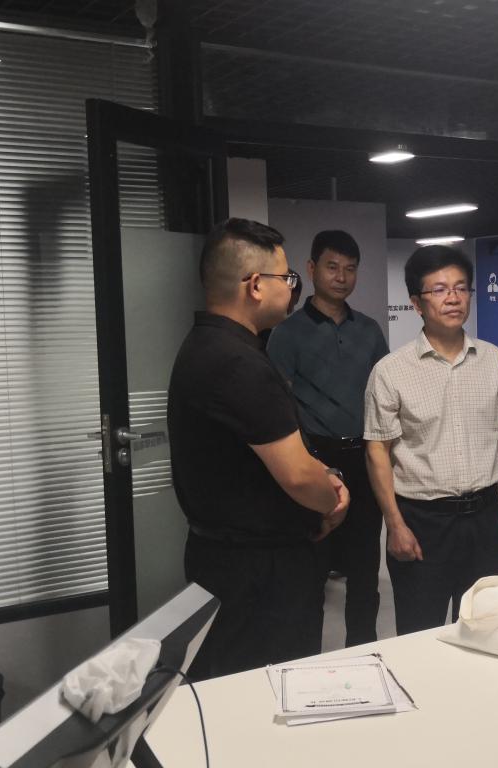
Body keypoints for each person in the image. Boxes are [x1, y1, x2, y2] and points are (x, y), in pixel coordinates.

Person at [168, 218, 349, 679]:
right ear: (254, 285)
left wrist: (324, 475)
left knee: (231, 675)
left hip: (227, 558)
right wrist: (332, 502)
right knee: (267, 686)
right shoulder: (236, 363)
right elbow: (298, 477)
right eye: (286, 278)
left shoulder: (207, 344)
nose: (291, 288)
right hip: (260, 572)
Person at [364, 245, 498, 635]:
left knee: (485, 630)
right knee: (420, 634)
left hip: (484, 516)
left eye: (461, 287)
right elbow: (378, 451)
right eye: (439, 290)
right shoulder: (391, 371)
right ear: (416, 303)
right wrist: (395, 524)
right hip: (422, 521)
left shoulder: (492, 359)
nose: (453, 298)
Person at [267, 230, 389, 647]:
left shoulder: (370, 331)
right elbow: (279, 407)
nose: (341, 277)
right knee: (311, 570)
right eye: (332, 267)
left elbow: (383, 396)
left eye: (350, 269)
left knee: (365, 570)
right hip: (313, 460)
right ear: (312, 269)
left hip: (364, 458)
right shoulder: (287, 333)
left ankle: (365, 652)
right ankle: (306, 659)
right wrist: (306, 461)